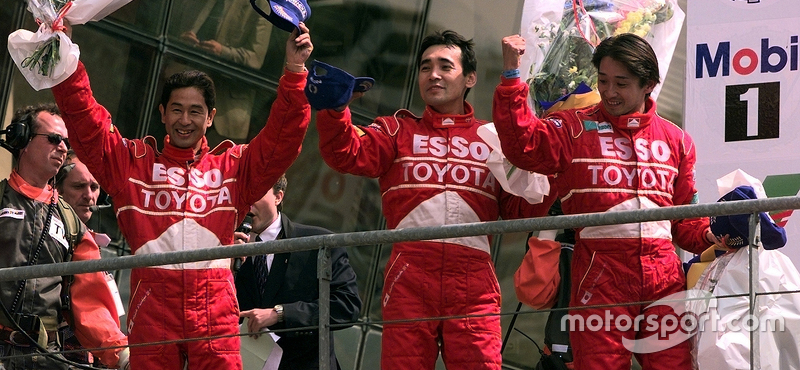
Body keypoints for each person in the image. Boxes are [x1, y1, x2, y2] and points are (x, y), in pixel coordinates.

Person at [50, 24, 314, 370]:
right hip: (152, 306)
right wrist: (65, 57)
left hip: (215, 308)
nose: (184, 120)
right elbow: (86, 123)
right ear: (162, 113)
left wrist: (295, 71)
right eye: (176, 110)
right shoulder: (132, 164)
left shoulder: (235, 167)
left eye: (195, 111)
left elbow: (283, 140)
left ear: (211, 118)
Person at [316, 30, 548, 370]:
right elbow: (346, 154)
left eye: (444, 66)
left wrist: (548, 174)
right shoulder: (396, 130)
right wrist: (335, 111)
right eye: (425, 67)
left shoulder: (494, 138)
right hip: (410, 271)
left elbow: (519, 210)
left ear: (470, 77)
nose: (433, 74)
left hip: (474, 279)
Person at [492, 32, 719, 370]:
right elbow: (522, 145)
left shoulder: (677, 141)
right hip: (601, 276)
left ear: (649, 85)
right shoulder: (572, 128)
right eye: (603, 81)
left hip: (664, 278)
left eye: (621, 83)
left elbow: (685, 223)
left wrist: (713, 236)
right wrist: (511, 76)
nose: (610, 92)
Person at [0, 104, 128, 369]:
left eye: (65, 142)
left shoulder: (73, 223)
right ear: (22, 140)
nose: (62, 147)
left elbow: (91, 300)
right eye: (54, 139)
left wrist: (121, 354)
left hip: (46, 357)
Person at [235, 174, 362, 370]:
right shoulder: (225, 249)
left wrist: (281, 313)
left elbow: (346, 306)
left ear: (278, 197)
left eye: (257, 194)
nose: (248, 203)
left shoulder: (318, 244)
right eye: (242, 195)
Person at [177, 0, 272, 142]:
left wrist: (222, 51)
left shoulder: (259, 3)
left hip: (225, 114)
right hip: (181, 103)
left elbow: (255, 59)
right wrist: (182, 42)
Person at [54, 150, 126, 367]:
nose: (89, 195)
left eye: (94, 187)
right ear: (57, 190)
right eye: (78, 187)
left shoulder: (91, 238)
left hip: (95, 354)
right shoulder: (55, 235)